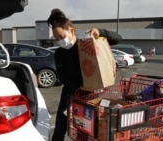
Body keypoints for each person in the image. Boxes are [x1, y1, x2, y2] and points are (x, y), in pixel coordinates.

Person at [47, 8, 122, 141]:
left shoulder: (86, 46)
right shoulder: (59, 54)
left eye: (62, 37)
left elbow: (118, 39)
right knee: (60, 127)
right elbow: (63, 78)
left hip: (90, 95)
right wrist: (77, 87)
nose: (60, 41)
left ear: (72, 30)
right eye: (57, 38)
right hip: (70, 93)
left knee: (86, 130)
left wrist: (100, 32)